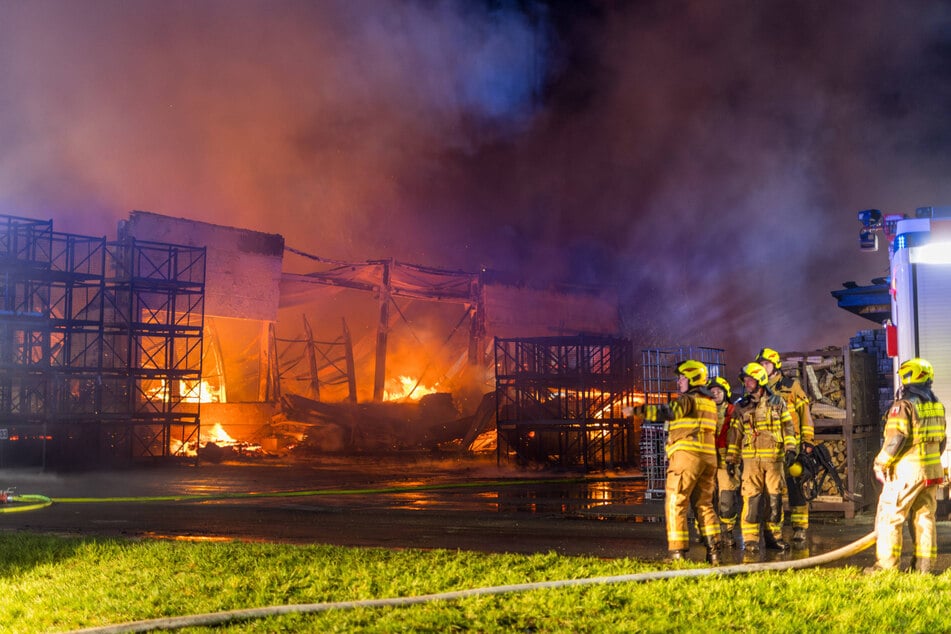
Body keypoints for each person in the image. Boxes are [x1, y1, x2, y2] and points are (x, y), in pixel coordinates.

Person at [636, 359, 721, 564]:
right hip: (708, 459)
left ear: (692, 378)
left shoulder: (687, 400)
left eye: (682, 377)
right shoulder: (709, 402)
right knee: (705, 505)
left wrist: (637, 411)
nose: (679, 381)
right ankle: (714, 552)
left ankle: (677, 553)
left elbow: (665, 412)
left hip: (687, 458)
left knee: (676, 502)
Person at [869, 358, 947, 573]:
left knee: (890, 517)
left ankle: (886, 567)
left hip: (907, 472)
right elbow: (942, 441)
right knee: (925, 518)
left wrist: (880, 462)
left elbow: (896, 439)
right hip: (932, 472)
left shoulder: (904, 405)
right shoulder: (937, 405)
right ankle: (923, 568)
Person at [729, 361, 797, 553]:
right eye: (746, 380)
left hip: (775, 461)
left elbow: (788, 428)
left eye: (750, 379)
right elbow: (735, 436)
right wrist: (731, 460)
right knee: (752, 501)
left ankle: (773, 537)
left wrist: (791, 449)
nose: (747, 383)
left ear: (760, 380)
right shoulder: (740, 407)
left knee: (774, 501)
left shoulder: (778, 402)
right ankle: (750, 539)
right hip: (751, 463)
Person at [756, 347, 815, 544]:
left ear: (775, 366)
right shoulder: (759, 390)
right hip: (771, 447)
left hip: (793, 446)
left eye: (766, 364)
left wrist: (807, 442)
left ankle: (799, 528)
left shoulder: (791, 386)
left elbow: (804, 415)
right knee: (773, 490)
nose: (763, 367)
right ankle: (775, 529)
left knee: (795, 485)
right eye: (761, 364)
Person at [710, 375, 741, 548]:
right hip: (707, 459)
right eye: (712, 392)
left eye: (718, 391)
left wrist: (733, 460)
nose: (715, 394)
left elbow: (737, 438)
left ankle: (727, 531)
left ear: (725, 393)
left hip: (726, 460)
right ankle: (707, 532)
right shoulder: (703, 411)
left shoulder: (733, 411)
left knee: (726, 497)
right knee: (706, 497)